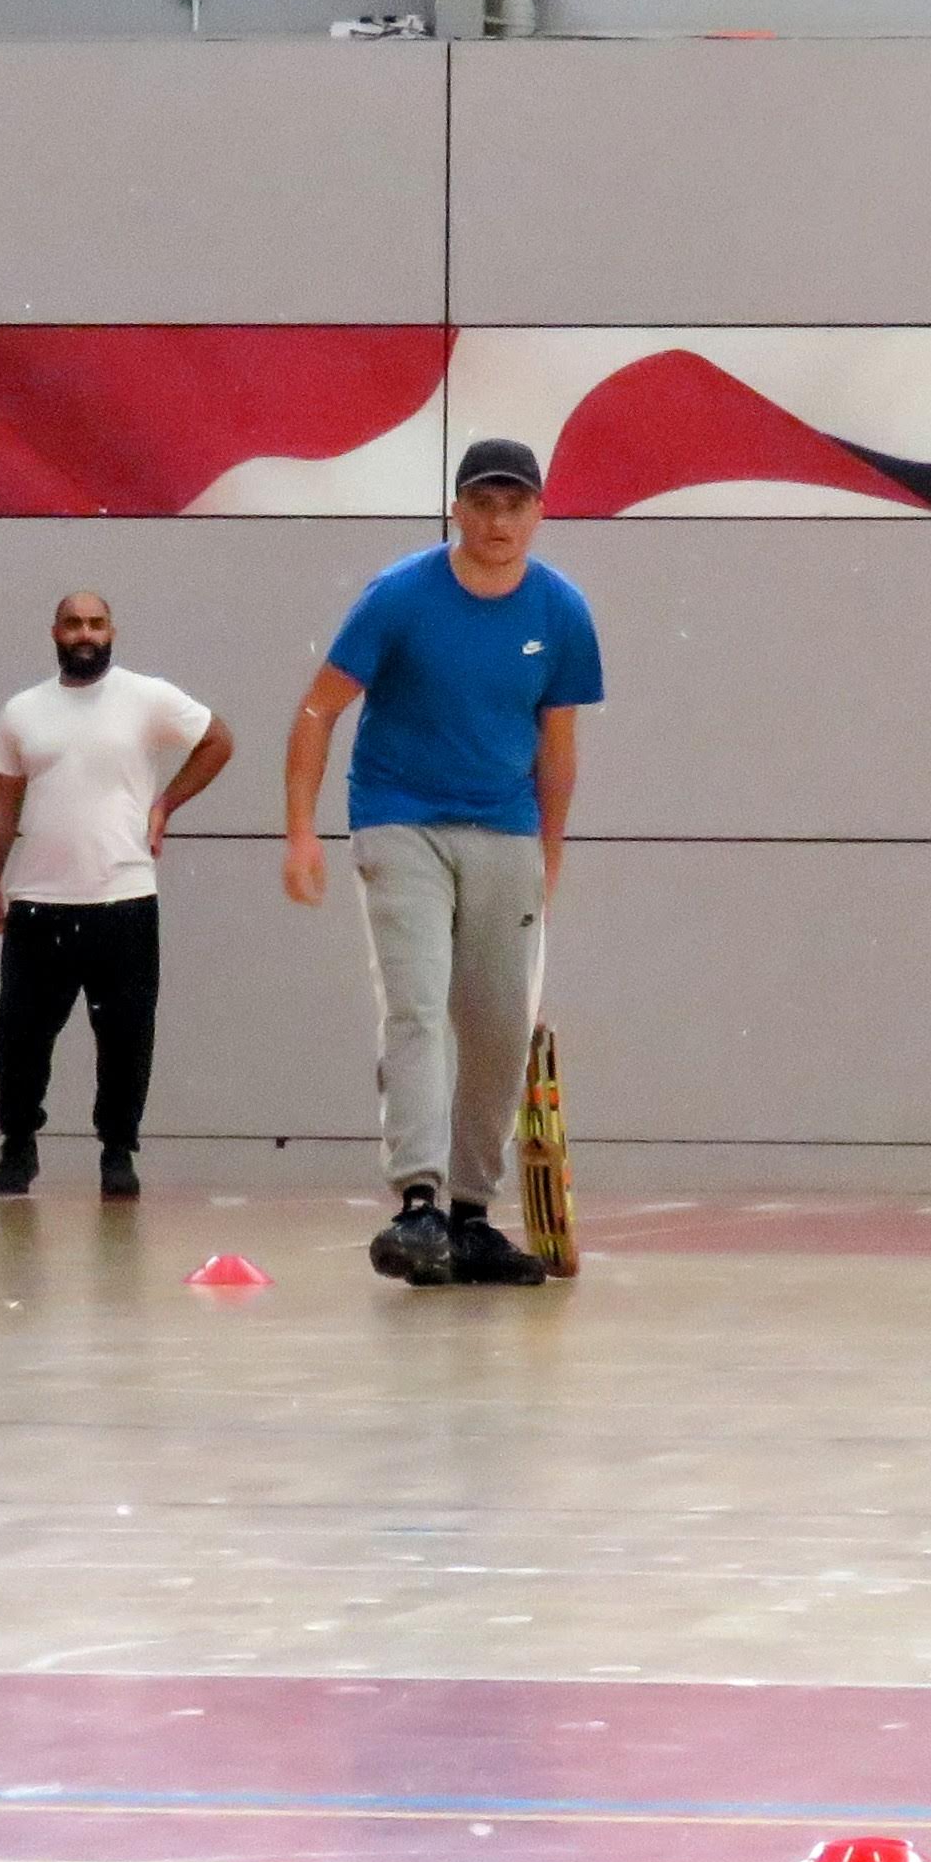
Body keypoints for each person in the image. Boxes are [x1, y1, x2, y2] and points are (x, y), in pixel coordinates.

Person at [280, 439, 602, 1289]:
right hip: (399, 821)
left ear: (538, 512)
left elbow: (557, 746)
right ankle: (416, 1204)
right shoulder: (398, 597)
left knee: (499, 1025)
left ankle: (469, 1215)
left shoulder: (560, 612)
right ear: (457, 509)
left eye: (515, 505)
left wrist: (550, 852)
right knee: (417, 1006)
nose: (499, 521)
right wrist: (301, 832)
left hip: (505, 830)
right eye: (483, 504)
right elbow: (318, 709)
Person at [0, 592, 233, 1200]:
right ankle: (18, 1142)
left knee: (125, 1034)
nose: (84, 633)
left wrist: (165, 804)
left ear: (112, 630)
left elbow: (218, 739)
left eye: (95, 622)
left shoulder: (148, 699)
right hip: (38, 901)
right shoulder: (23, 711)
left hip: (124, 897)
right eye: (73, 623)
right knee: (19, 1034)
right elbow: (0, 797)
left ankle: (118, 1150)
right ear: (55, 633)